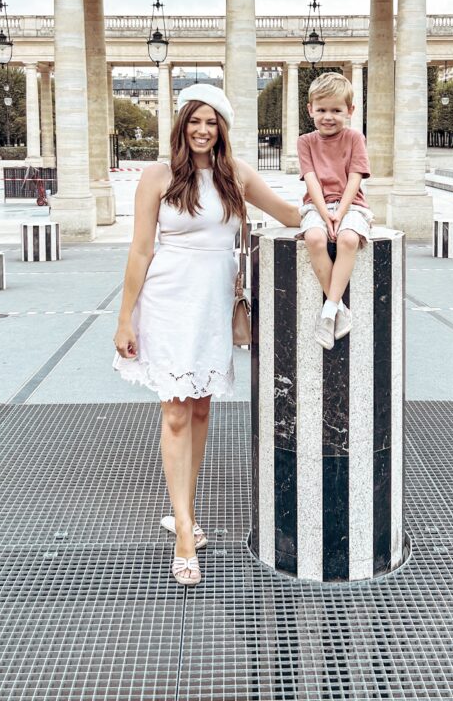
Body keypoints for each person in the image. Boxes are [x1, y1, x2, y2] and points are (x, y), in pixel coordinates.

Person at [113, 85, 300, 587]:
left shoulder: (235, 175)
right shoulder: (156, 176)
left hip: (213, 305)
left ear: (222, 128)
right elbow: (139, 251)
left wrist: (345, 212)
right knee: (175, 410)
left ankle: (184, 510)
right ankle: (183, 537)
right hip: (167, 301)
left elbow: (288, 214)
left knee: (200, 408)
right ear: (180, 124)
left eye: (211, 122)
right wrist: (124, 317)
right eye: (194, 120)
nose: (202, 130)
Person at [297, 71, 373, 350]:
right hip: (316, 204)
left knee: (348, 239)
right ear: (310, 110)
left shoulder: (355, 138)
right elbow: (311, 179)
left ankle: (328, 311)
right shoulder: (305, 141)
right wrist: (325, 212)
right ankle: (338, 307)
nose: (328, 116)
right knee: (315, 238)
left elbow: (355, 177)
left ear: (350, 111)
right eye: (322, 110)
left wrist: (340, 213)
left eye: (336, 110)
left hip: (351, 203)